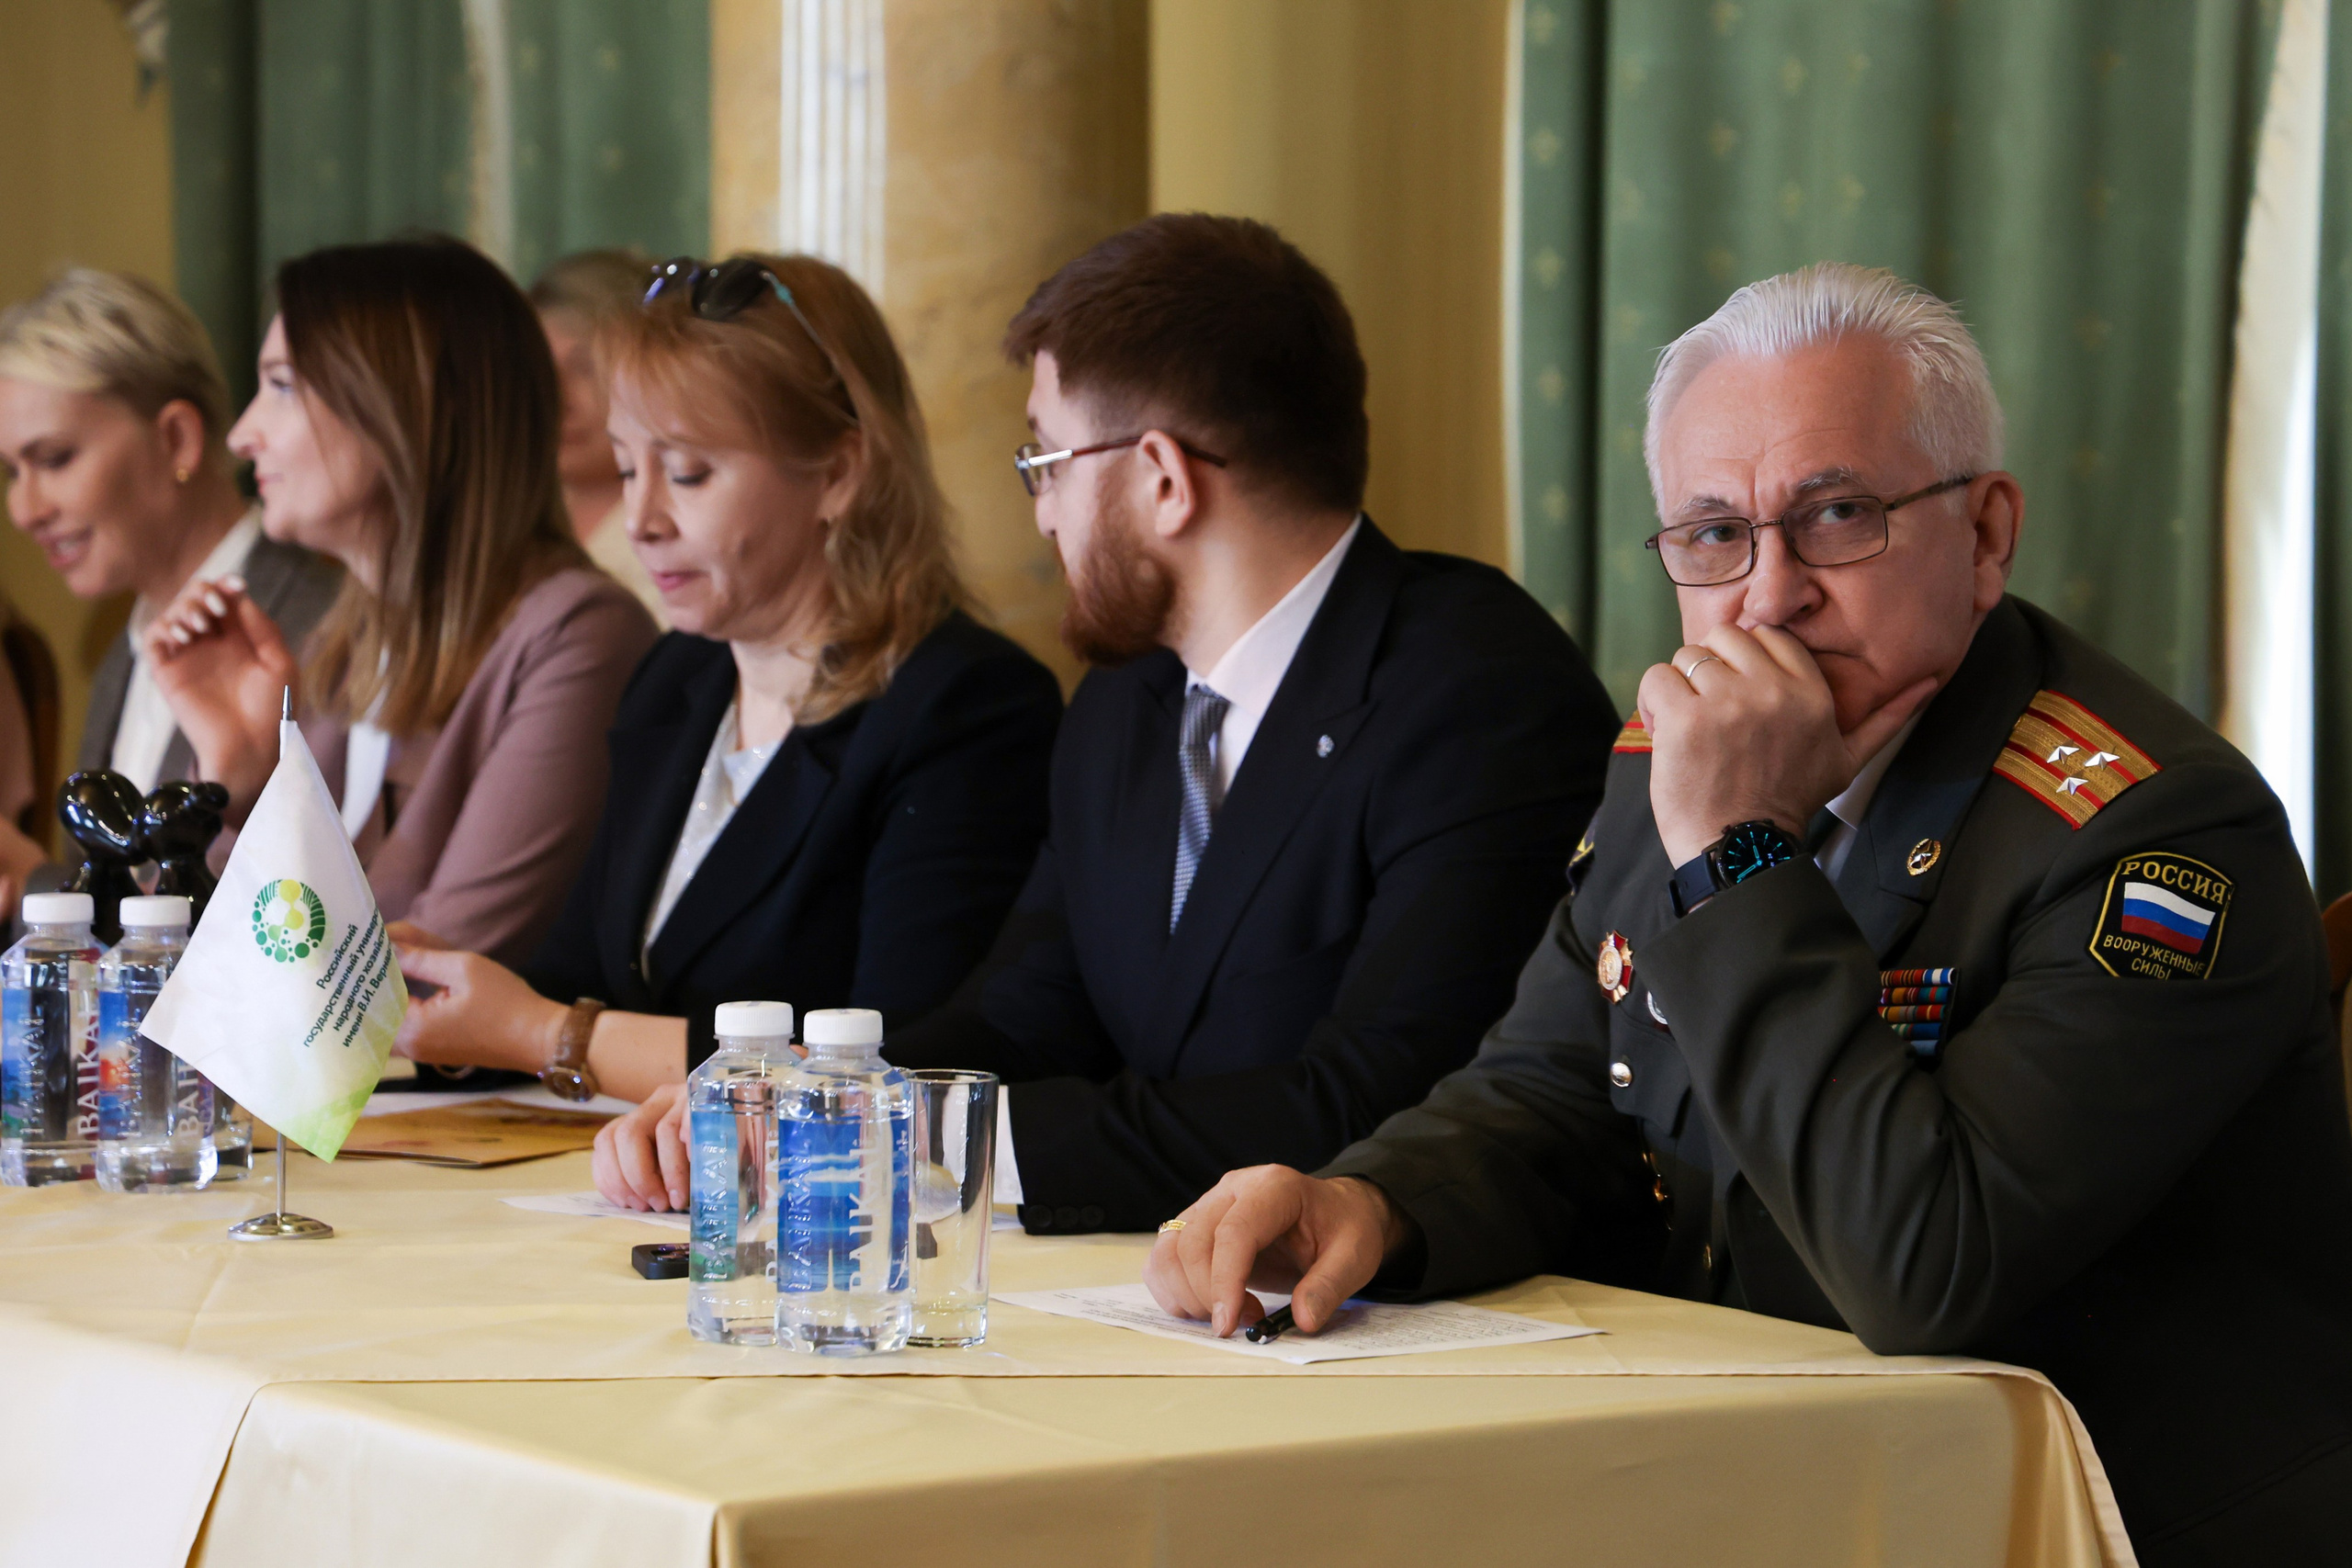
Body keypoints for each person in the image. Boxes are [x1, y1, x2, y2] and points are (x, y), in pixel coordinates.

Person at [1146, 263, 2352, 1562]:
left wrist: (1735, 851)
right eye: (1716, 534)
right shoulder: (1668, 754)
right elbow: (1553, 1087)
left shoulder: (2154, 833)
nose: (1771, 595)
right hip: (1766, 1482)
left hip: (2093, 1520)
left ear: (1988, 532)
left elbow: (1925, 1267)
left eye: (1838, 515)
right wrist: (1371, 1202)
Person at [741, 210, 1607, 1235]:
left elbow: (1371, 1104)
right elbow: (1029, 1009)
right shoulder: (1126, 700)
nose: (1044, 512)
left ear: (1161, 477)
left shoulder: (1481, 693)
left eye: (1046, 463)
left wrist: (946, 1142)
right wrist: (816, 1107)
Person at [391, 254, 1060, 1119]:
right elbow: (580, 979)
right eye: (629, 469)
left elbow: (901, 1054)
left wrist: (550, 1037)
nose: (642, 521)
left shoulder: (968, 707)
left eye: (690, 473)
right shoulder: (677, 682)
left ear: (837, 472)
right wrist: (437, 997)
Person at [142, 237, 660, 967]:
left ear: (410, 407)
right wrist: (242, 778)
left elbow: (422, 982)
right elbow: (195, 969)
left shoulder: (579, 634)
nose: (241, 433)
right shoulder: (349, 643)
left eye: (283, 385)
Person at [0, 269, 341, 796]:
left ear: (178, 440)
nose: (23, 510)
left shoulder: (321, 626)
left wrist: (35, 872)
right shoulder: (122, 652)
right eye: (12, 473)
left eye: (54, 459)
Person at [529, 248, 666, 625]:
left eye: (583, 368)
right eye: (540, 371)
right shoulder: (509, 524)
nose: (558, 399)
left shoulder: (674, 532)